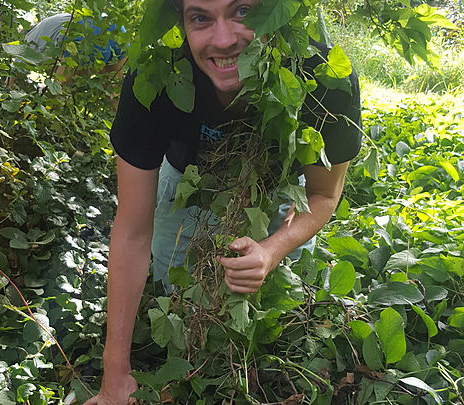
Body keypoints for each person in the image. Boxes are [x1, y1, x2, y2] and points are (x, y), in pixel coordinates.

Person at [84, 0, 362, 403]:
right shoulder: (155, 78)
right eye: (200, 17)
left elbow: (322, 194)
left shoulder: (322, 77)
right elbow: (131, 231)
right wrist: (115, 375)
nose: (223, 39)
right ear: (179, 20)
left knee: (275, 311)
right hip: (185, 178)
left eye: (243, 11)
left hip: (281, 188)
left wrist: (272, 249)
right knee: (172, 289)